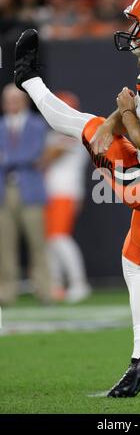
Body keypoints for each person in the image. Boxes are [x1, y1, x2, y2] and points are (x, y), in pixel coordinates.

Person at [14, 0, 140, 397]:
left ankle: (28, 81)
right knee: (135, 267)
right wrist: (118, 118)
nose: (133, 31)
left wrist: (119, 115)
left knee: (80, 125)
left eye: (139, 24)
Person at [0, 84, 52, 305]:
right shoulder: (1, 125)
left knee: (37, 244)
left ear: (24, 101)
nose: (11, 104)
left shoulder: (37, 124)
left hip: (30, 190)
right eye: (7, 100)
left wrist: (7, 159)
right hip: (4, 191)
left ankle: (45, 290)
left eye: (15, 99)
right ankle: (6, 292)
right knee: (4, 245)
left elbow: (34, 154)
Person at [39, 91, 91, 303]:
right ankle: (56, 284)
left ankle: (79, 283)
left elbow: (49, 157)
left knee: (59, 238)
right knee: (51, 240)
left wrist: (30, 161)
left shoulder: (73, 130)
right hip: (51, 192)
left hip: (65, 191)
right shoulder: (58, 131)